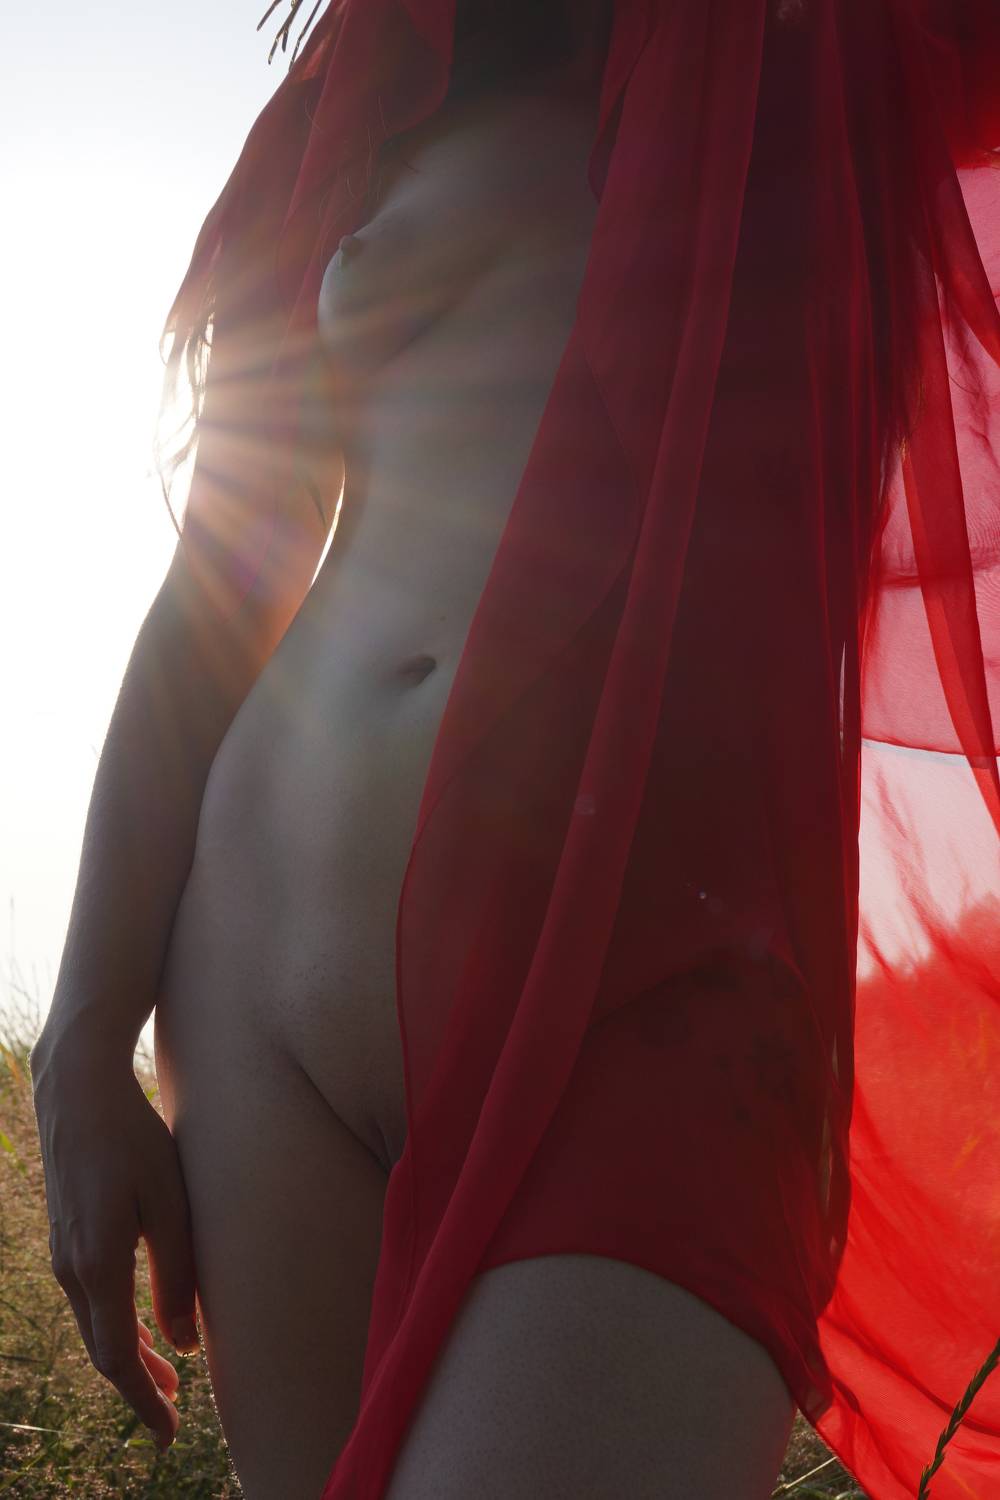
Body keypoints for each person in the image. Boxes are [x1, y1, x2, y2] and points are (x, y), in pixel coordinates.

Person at [31, 3, 1000, 1498]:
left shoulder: (843, 36)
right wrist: (84, 1036)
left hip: (652, 980)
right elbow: (226, 573)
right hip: (267, 968)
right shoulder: (377, 80)